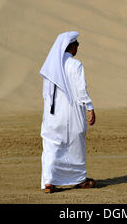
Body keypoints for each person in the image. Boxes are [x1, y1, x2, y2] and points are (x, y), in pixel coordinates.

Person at [39, 31, 96, 193]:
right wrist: (89, 107)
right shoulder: (74, 64)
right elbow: (81, 89)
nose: (78, 47)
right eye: (76, 44)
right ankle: (78, 179)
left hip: (51, 114)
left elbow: (46, 94)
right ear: (70, 46)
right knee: (75, 143)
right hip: (71, 113)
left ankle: (48, 182)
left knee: (51, 146)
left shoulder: (49, 67)